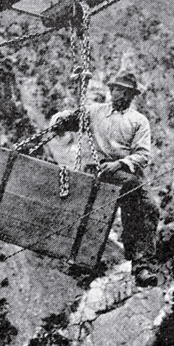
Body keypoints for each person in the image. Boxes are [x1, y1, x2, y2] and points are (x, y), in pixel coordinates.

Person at [51, 72, 160, 287]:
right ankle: (78, 257)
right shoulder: (95, 113)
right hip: (98, 170)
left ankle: (142, 266)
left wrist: (119, 164)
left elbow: (143, 154)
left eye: (128, 93)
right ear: (111, 91)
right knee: (113, 199)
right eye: (120, 90)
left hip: (125, 171)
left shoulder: (138, 121)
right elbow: (63, 123)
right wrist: (61, 119)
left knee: (148, 207)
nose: (124, 96)